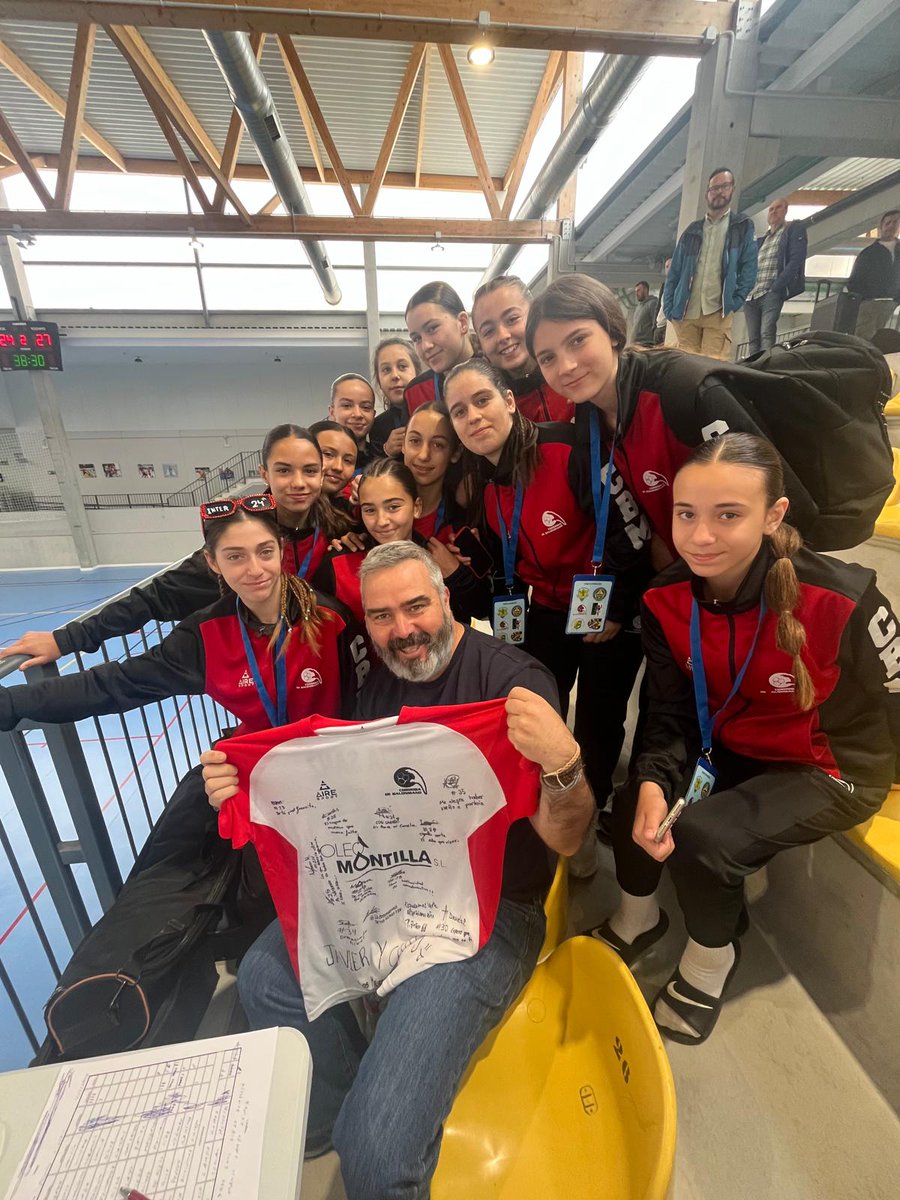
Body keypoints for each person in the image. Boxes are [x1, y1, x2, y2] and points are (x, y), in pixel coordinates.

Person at [200, 540, 594, 1197]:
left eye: (417, 606)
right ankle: (335, 1104)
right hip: (377, 890)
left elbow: (568, 838)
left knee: (378, 1157)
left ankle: (370, 1119)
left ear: (445, 598)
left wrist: (564, 764)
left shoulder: (513, 683)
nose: (404, 630)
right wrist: (246, 784)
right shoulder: (371, 679)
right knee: (262, 977)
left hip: (486, 914)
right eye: (382, 616)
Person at [597, 433, 898, 1045]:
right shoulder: (663, 599)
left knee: (705, 837)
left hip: (828, 765)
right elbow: (670, 715)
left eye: (728, 514)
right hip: (728, 746)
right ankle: (638, 918)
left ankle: (711, 963)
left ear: (773, 516)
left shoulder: (844, 597)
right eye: (686, 514)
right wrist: (655, 777)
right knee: (633, 801)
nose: (700, 535)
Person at [444, 357, 648, 814]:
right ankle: (544, 799)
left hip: (607, 611)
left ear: (510, 401)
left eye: (482, 400)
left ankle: (588, 806)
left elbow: (630, 530)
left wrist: (617, 607)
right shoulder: (481, 480)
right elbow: (501, 554)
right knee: (536, 704)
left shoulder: (569, 449)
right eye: (459, 411)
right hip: (549, 609)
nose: (473, 416)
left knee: (598, 718)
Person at [0, 497, 367, 735]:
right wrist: (12, 704)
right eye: (235, 556)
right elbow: (113, 685)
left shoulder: (332, 619)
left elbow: (365, 699)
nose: (255, 569)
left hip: (339, 756)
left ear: (280, 551)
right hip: (260, 761)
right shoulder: (203, 637)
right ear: (212, 563)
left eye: (264, 552)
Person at [525, 273, 817, 571]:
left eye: (577, 340)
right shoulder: (588, 423)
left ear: (612, 332)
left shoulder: (685, 391)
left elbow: (786, 504)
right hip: (685, 581)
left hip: (745, 580)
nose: (567, 366)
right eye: (548, 358)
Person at [0, 424, 351, 670]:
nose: (299, 483)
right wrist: (67, 639)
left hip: (326, 666)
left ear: (322, 474)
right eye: (284, 470)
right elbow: (153, 598)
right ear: (265, 473)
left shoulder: (339, 523)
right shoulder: (237, 537)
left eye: (309, 471)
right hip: (265, 673)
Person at [312, 459, 487, 625]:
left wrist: (457, 576)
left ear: (416, 507)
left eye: (393, 507)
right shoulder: (337, 565)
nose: (381, 521)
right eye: (370, 510)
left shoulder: (440, 561)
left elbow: (475, 612)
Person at [664, 167, 758, 361]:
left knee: (711, 370)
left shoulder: (741, 227)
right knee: (685, 370)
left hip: (718, 313)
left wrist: (734, 301)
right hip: (686, 313)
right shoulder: (692, 231)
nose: (719, 192)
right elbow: (675, 272)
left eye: (724, 186)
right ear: (707, 194)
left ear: (732, 189)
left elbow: (749, 268)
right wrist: (669, 308)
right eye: (714, 188)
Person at [470, 275, 573, 422]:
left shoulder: (575, 374)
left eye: (512, 319)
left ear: (535, 316)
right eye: (488, 331)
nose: (503, 336)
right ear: (481, 345)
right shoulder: (484, 412)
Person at [742, 197, 808, 356]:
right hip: (751, 295)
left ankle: (765, 368)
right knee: (753, 340)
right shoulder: (761, 241)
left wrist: (777, 287)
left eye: (778, 208)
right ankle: (751, 371)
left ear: (785, 211)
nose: (773, 211)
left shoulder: (791, 231)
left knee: (767, 333)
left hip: (770, 292)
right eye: (771, 209)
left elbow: (796, 259)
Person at [404, 281, 475, 414]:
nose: (425, 346)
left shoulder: (501, 373)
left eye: (432, 329)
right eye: (416, 338)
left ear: (462, 323)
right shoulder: (416, 393)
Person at [403, 400, 464, 543]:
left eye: (438, 445)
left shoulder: (462, 521)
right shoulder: (374, 504)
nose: (424, 455)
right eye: (415, 441)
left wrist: (458, 566)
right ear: (403, 445)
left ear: (455, 453)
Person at [845, 209, 900, 342]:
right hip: (870, 304)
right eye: (888, 223)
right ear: (881, 227)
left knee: (886, 341)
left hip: (893, 303)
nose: (891, 226)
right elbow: (854, 281)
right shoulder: (868, 254)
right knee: (864, 340)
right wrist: (865, 299)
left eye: (896, 222)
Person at [369, 336, 423, 458]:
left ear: (417, 373)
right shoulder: (378, 427)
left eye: (402, 366)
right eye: (386, 369)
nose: (395, 375)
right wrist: (386, 452)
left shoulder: (438, 410)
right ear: (379, 381)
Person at [329, 373, 377, 470]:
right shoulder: (316, 460)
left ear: (374, 414)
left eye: (366, 407)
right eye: (347, 405)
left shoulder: (381, 463)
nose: (358, 414)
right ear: (332, 412)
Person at [309, 419, 359, 514]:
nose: (338, 467)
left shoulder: (352, 510)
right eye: (328, 454)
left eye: (348, 460)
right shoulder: (278, 506)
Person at [629, 280, 659, 348]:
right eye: (636, 291)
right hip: (636, 345)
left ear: (645, 290)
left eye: (639, 290)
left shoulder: (653, 303)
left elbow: (656, 325)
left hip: (646, 344)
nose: (636, 293)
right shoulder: (638, 307)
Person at [654, 258, 672, 346]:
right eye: (666, 267)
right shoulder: (664, 284)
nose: (667, 269)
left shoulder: (676, 284)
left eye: (669, 266)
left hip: (667, 326)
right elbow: (659, 305)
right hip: (659, 325)